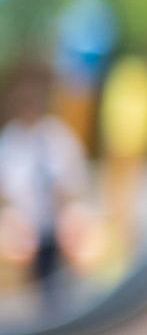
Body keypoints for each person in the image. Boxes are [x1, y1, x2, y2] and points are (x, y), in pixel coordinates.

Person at [0, 70, 91, 317]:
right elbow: (6, 187)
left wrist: (70, 214)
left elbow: (73, 177)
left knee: (62, 282)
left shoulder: (55, 135)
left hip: (57, 224)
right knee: (37, 285)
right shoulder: (10, 139)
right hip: (28, 227)